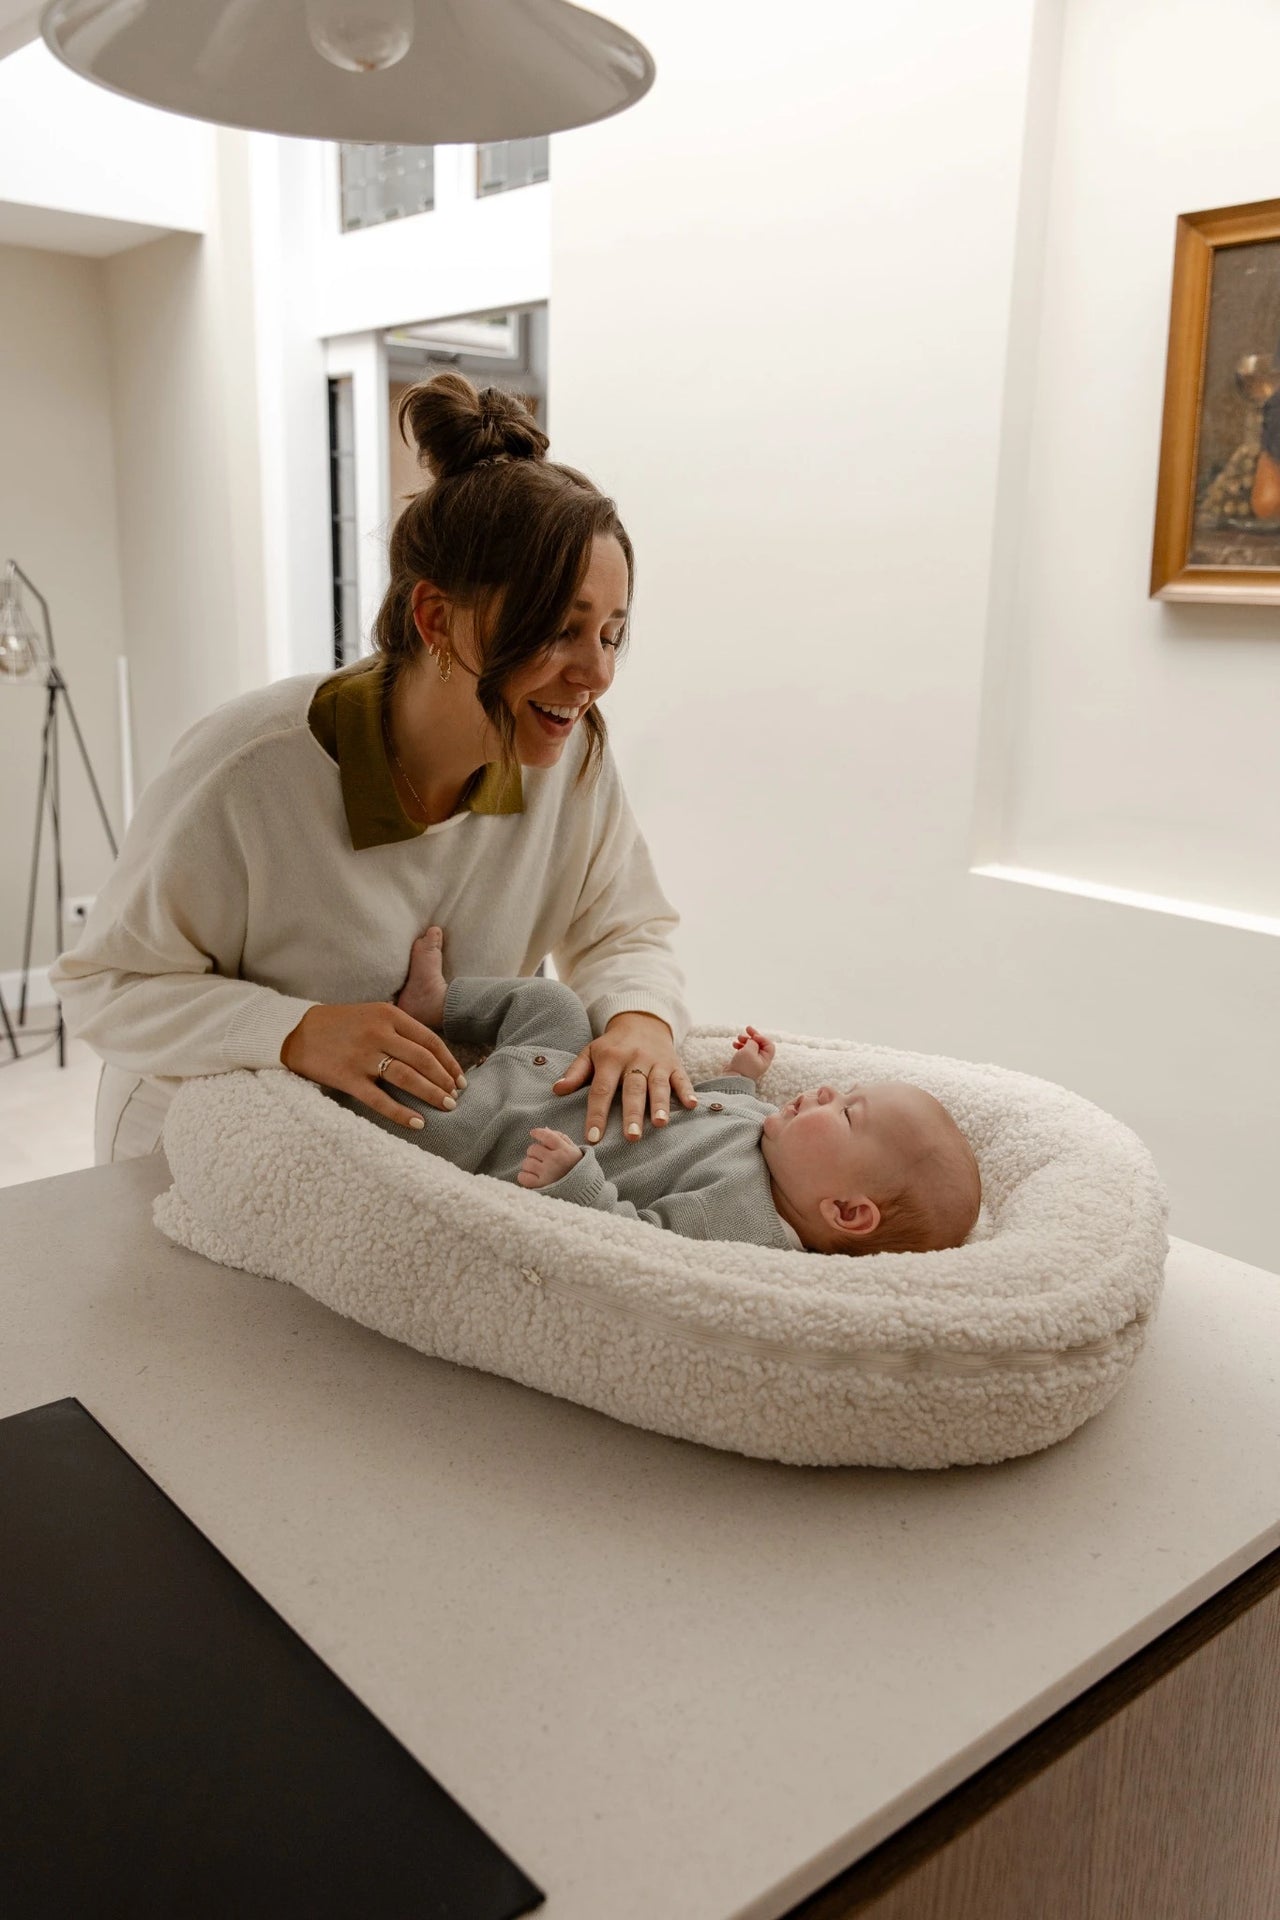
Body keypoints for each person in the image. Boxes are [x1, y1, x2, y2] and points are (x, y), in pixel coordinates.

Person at [49, 373, 697, 1164]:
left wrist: (639, 1018)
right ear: (436, 618)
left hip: (401, 1163)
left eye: (611, 634)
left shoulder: (568, 756)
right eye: (561, 630)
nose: (595, 676)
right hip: (193, 1158)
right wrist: (294, 1030)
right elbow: (105, 985)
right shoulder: (249, 771)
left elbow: (624, 929)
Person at [330, 927, 982, 1256]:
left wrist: (575, 1182)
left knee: (417, 1116)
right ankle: (440, 1005)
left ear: (844, 1211)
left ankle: (349, 1086)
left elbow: (639, 1243)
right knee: (552, 999)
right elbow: (705, 1105)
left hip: (501, 1125)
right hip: (568, 1069)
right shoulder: (780, 1138)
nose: (826, 1092)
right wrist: (742, 1078)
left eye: (846, 1113)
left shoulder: (744, 1222)